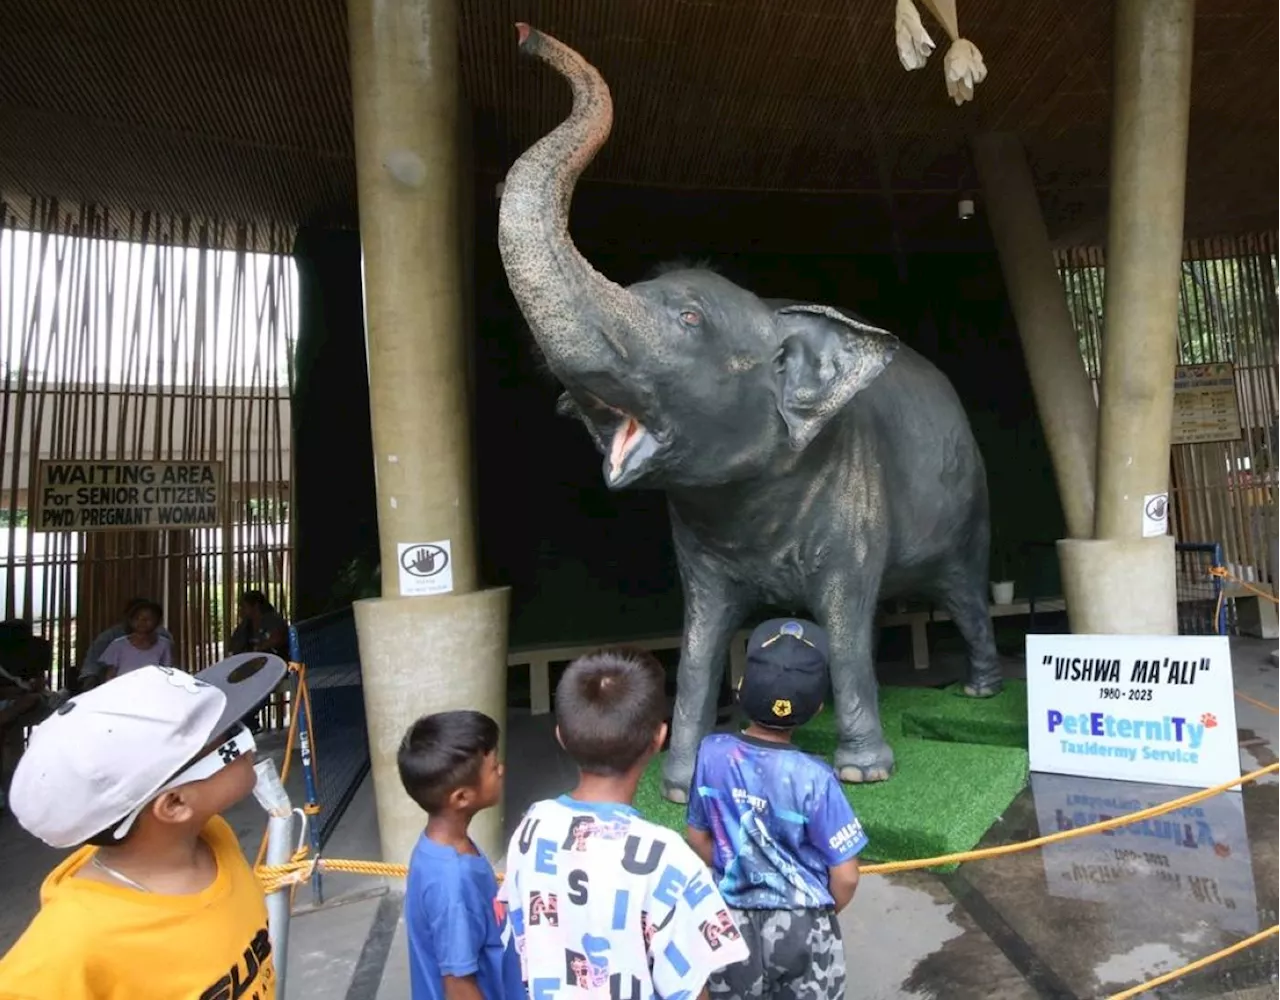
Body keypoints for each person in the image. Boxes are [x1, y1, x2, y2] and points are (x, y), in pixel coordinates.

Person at [0, 653, 288, 999]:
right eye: (232, 738)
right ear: (176, 804)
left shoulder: (212, 838)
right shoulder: (70, 948)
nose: (249, 740)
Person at [500, 648, 749, 1000]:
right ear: (659, 739)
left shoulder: (531, 827)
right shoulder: (669, 858)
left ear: (561, 736)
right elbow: (690, 989)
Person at [685, 619, 866, 1000]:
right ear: (817, 707)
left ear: (739, 690)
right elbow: (846, 877)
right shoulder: (816, 778)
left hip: (727, 921)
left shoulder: (712, 753)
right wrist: (815, 912)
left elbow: (698, 836)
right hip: (803, 925)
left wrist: (732, 867)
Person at [398, 710, 524, 1000]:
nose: (502, 770)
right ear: (462, 797)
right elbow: (458, 986)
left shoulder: (439, 847)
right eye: (493, 767)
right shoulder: (452, 881)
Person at [78, 598, 174, 690]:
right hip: (121, 690)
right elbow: (94, 665)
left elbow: (168, 670)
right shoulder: (112, 638)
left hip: (153, 689)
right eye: (137, 618)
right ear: (128, 618)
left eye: (147, 618)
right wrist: (91, 683)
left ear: (156, 621)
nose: (142, 622)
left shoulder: (163, 639)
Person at [228, 590, 290, 659]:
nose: (240, 610)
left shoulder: (273, 620)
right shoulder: (245, 625)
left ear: (255, 606)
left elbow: (277, 638)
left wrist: (258, 648)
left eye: (243, 607)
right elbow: (233, 647)